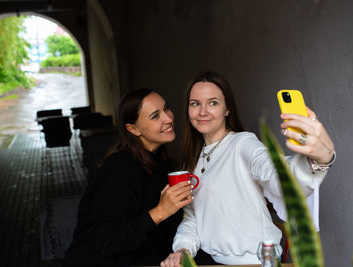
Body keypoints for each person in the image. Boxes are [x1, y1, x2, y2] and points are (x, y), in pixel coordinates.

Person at [161, 71, 335, 266]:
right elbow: (193, 216)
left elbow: (275, 174)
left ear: (227, 109)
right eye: (195, 103)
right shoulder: (192, 159)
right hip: (213, 261)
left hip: (257, 261)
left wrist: (319, 159)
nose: (202, 112)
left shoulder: (243, 144)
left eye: (213, 103)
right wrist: (183, 249)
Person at [63, 88, 193, 267]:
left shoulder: (163, 164)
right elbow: (108, 242)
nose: (169, 118)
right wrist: (161, 211)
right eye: (155, 116)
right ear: (133, 129)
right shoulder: (119, 169)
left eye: (166, 108)